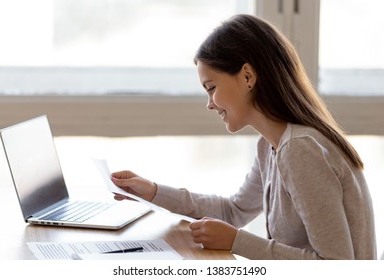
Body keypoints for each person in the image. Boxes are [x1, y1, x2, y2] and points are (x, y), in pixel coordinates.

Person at [111, 14, 377, 260]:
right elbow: (234, 211)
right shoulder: (270, 146)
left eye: (211, 88)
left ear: (248, 76)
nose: (209, 104)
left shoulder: (300, 149)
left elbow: (337, 265)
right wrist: (153, 191)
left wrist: (237, 241)